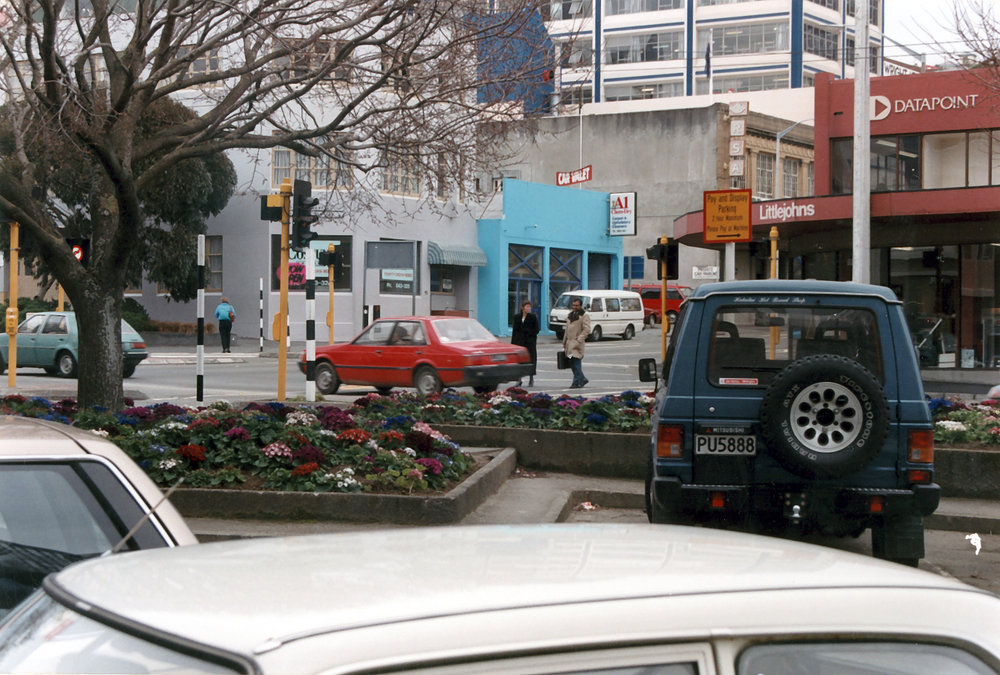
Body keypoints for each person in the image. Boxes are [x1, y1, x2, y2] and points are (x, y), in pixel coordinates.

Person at [563, 297, 590, 388]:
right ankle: (582, 378)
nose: (574, 307)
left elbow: (587, 329)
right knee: (571, 363)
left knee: (576, 362)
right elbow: (567, 329)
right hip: (569, 345)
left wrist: (579, 340)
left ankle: (576, 381)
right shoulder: (570, 315)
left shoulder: (584, 315)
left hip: (577, 345)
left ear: (580, 306)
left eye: (576, 305)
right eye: (573, 305)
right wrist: (564, 341)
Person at [511, 300, 540, 387]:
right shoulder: (517, 317)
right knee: (519, 361)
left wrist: (529, 333)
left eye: (529, 307)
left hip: (529, 342)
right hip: (519, 342)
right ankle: (519, 379)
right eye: (527, 307)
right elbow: (515, 330)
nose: (528, 308)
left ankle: (531, 379)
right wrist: (513, 343)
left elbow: (536, 330)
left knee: (531, 360)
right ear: (522, 308)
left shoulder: (533, 317)